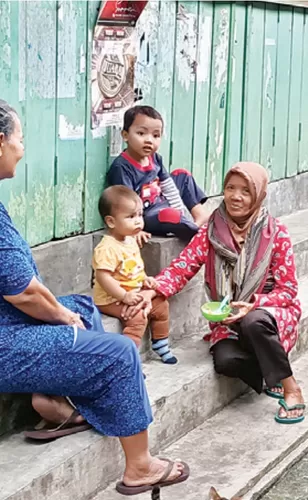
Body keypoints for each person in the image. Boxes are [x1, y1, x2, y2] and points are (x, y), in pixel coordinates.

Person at [0, 100, 189, 494]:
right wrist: (59, 318)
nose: (23, 147)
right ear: (0, 143)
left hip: (9, 327)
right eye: (20, 138)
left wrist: (62, 313)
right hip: (7, 342)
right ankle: (139, 466)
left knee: (82, 306)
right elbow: (24, 293)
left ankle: (64, 409)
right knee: (118, 354)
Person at [133, 162, 306, 424]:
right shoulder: (212, 230)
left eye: (245, 191)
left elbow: (288, 291)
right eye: (230, 188)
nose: (236, 196)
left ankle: (291, 386)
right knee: (225, 361)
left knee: (253, 321)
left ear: (259, 195)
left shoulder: (276, 233)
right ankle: (267, 368)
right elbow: (184, 266)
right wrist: (154, 288)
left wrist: (254, 304)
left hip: (269, 315)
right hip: (228, 322)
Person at [93, 186, 176, 364]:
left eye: (139, 215)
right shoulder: (107, 248)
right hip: (110, 299)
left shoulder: (130, 240)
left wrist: (145, 279)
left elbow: (134, 268)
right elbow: (103, 277)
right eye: (131, 217)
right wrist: (124, 296)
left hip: (133, 292)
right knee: (137, 317)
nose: (138, 221)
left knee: (161, 305)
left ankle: (160, 343)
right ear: (111, 222)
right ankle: (129, 360)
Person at [107, 105, 210, 244]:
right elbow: (125, 204)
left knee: (181, 175)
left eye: (156, 135)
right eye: (141, 133)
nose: (149, 140)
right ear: (125, 135)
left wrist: (179, 210)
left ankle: (200, 216)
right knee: (169, 215)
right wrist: (135, 229)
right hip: (147, 214)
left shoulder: (155, 158)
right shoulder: (122, 167)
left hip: (161, 199)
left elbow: (168, 186)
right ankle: (196, 231)